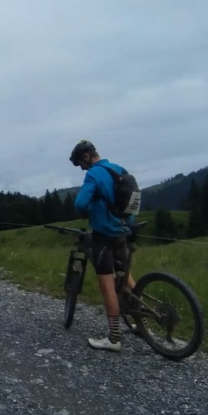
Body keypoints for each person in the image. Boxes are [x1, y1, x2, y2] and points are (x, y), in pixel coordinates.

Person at [69, 139, 136, 352]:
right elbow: (131, 201)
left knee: (106, 282)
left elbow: (80, 203)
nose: (82, 168)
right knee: (126, 277)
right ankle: (141, 324)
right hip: (123, 231)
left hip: (104, 234)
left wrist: (83, 212)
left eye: (81, 163)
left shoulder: (93, 174)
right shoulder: (119, 169)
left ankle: (114, 338)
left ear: (87, 156)